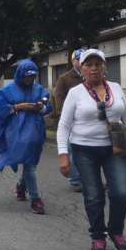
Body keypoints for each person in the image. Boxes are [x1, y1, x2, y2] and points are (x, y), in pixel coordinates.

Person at [57, 49, 126, 250]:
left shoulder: (115, 88)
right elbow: (64, 125)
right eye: (89, 64)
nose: (94, 68)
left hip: (114, 149)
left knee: (122, 193)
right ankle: (97, 236)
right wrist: (63, 156)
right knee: (94, 195)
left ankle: (116, 232)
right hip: (84, 149)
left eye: (98, 64)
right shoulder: (75, 93)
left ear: (104, 67)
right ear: (82, 68)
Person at [0, 60, 52, 215]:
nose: (30, 79)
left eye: (33, 76)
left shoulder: (39, 89)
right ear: (20, 74)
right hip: (16, 133)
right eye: (27, 76)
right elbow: (0, 109)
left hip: (36, 132)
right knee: (29, 164)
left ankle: (21, 186)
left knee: (30, 162)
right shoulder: (8, 91)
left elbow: (48, 107)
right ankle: (36, 199)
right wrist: (19, 107)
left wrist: (41, 107)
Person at [54, 49, 86, 192]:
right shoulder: (65, 78)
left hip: (88, 121)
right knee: (73, 150)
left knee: (87, 152)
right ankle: (75, 180)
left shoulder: (91, 76)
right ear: (73, 61)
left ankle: (88, 179)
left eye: (83, 59)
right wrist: (62, 113)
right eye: (78, 59)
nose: (81, 62)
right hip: (71, 121)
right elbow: (59, 97)